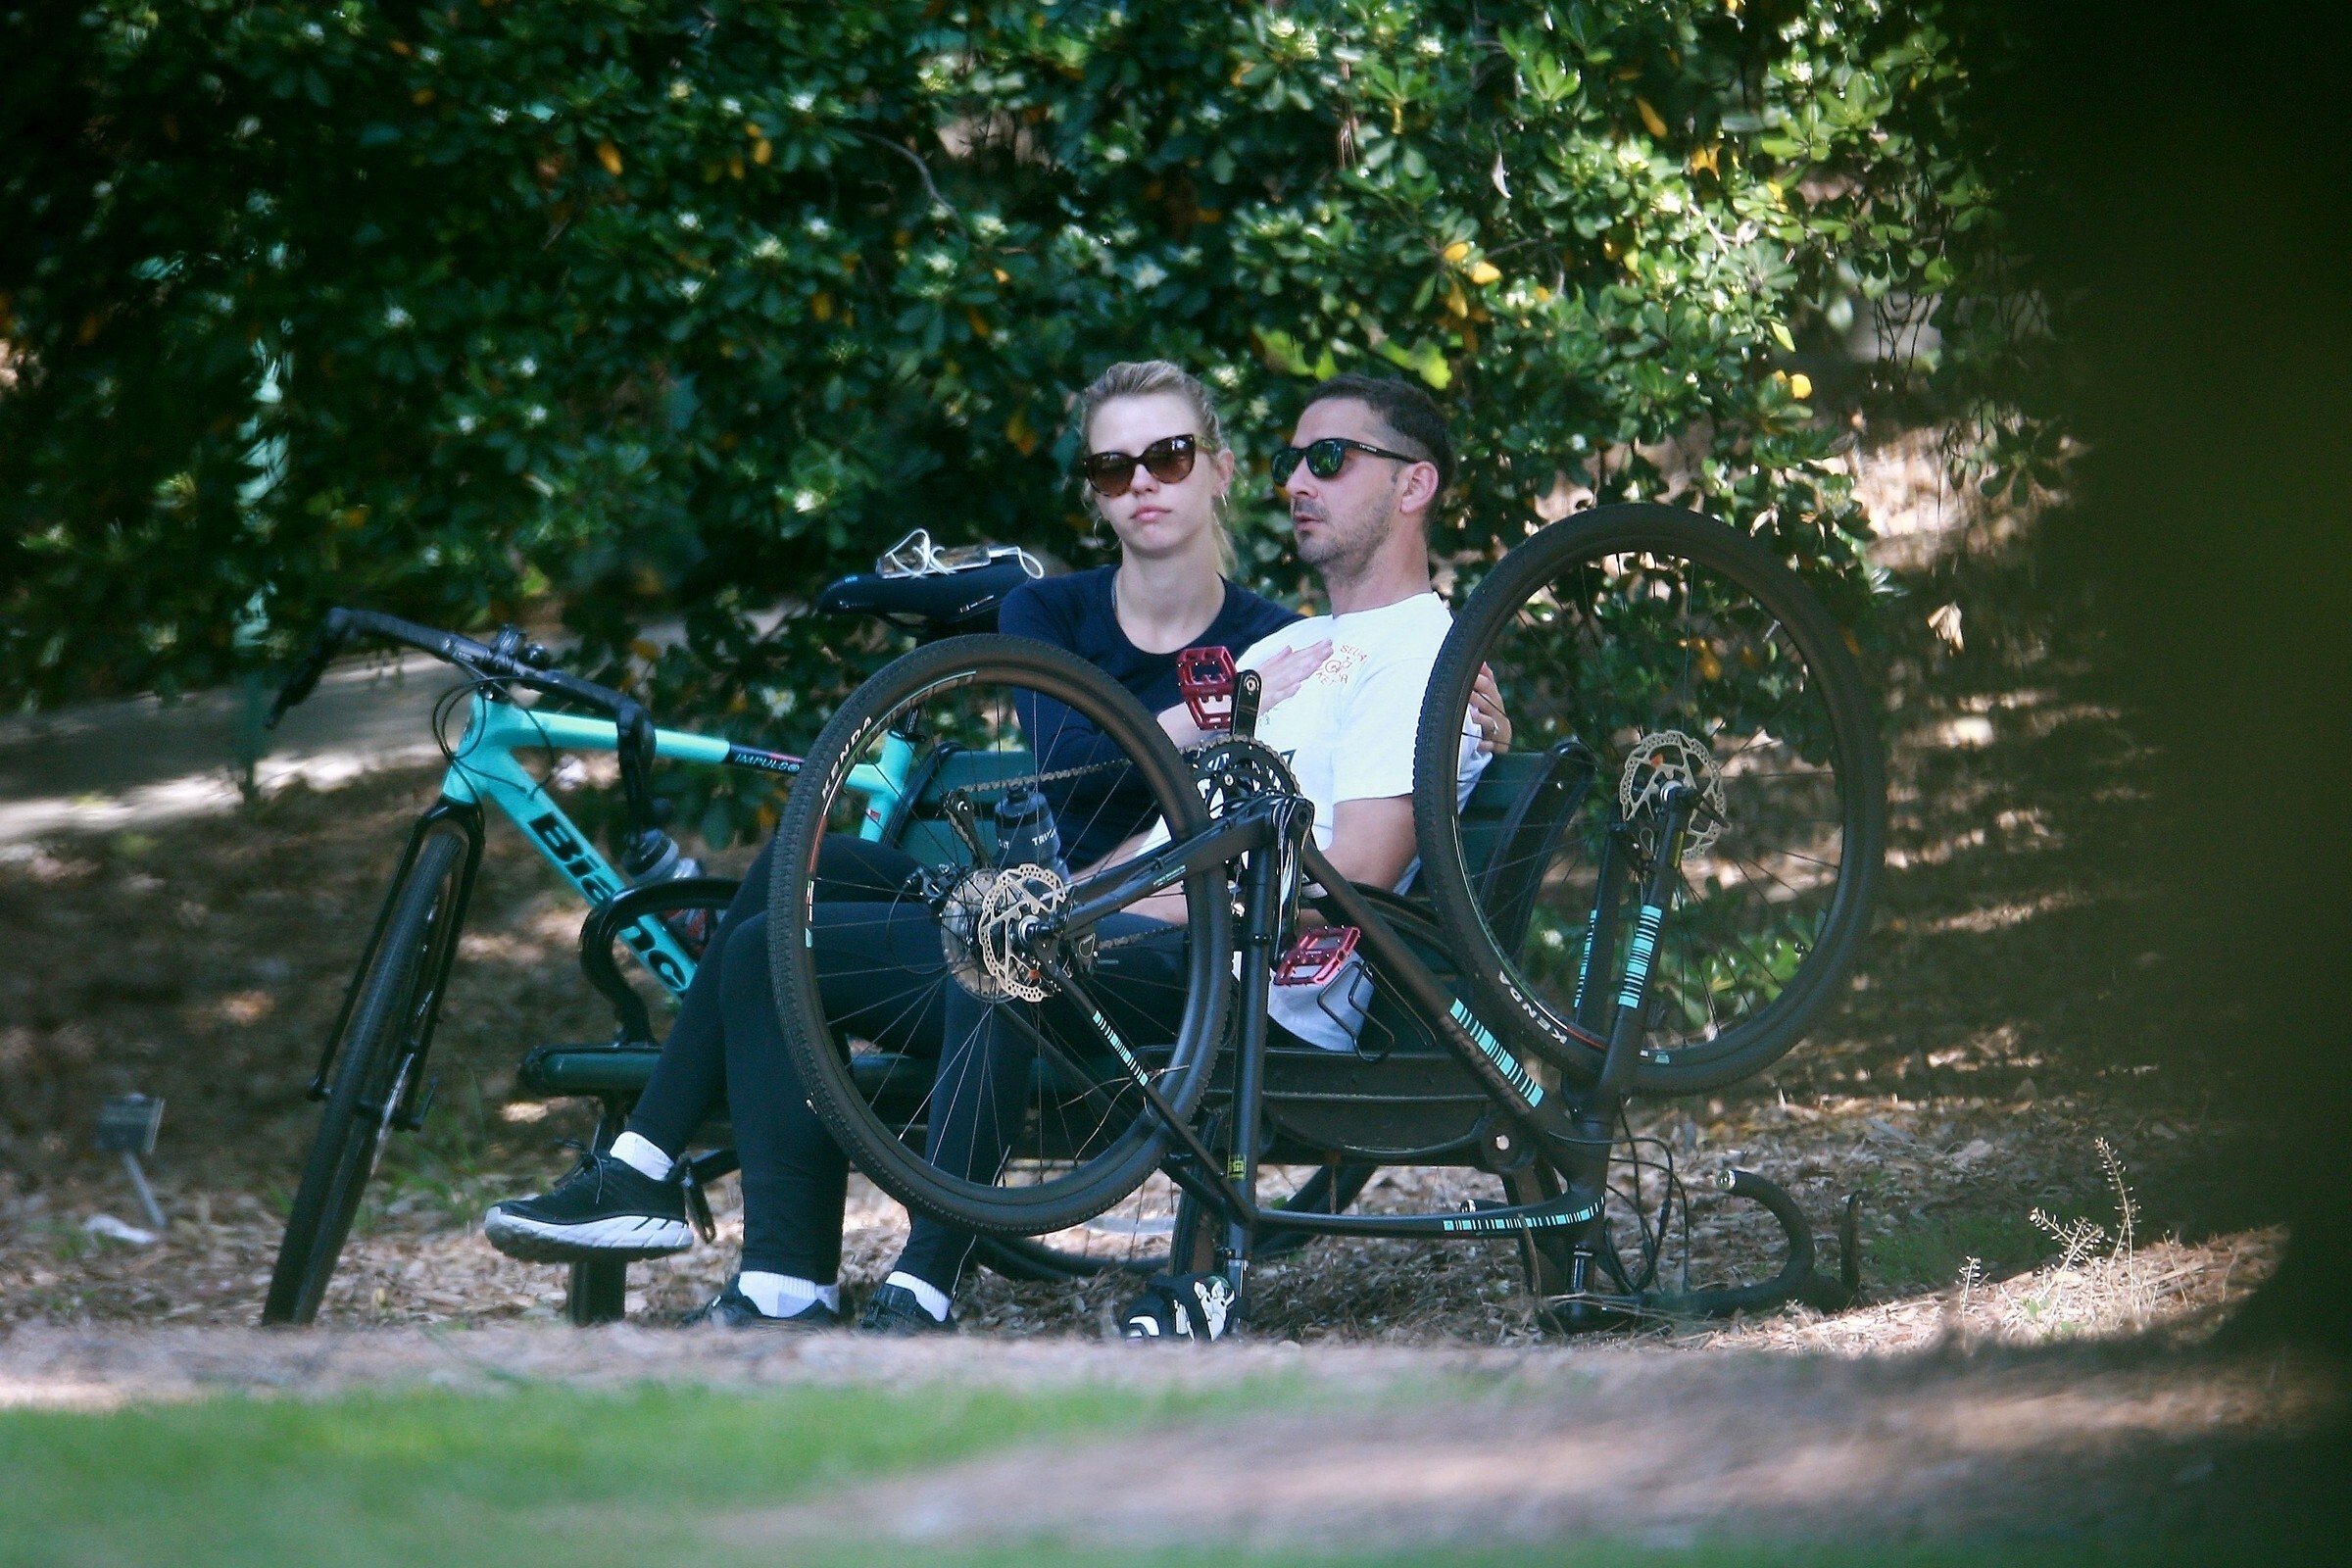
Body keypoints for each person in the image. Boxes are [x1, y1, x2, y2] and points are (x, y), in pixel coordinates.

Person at [481, 362, 1306, 1326]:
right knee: (789, 898)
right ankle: (767, 1270)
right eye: (1112, 468)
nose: (1143, 484)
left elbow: (1264, 815)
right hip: (1028, 908)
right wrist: (1205, 717)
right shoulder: (1047, 612)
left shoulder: (1278, 639)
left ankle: (911, 1278)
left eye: (1168, 456)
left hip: (1149, 945)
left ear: (1221, 469)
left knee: (992, 942)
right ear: (1093, 493)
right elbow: (1068, 754)